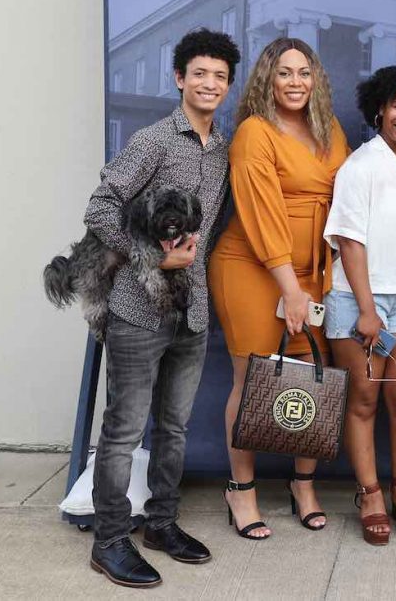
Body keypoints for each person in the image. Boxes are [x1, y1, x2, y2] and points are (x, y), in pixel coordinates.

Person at [83, 29, 240, 588]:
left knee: (174, 427)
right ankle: (109, 541)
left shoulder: (222, 149)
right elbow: (100, 208)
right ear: (179, 78)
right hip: (137, 309)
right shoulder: (153, 140)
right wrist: (151, 254)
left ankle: (162, 523)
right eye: (200, 73)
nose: (210, 84)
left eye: (220, 76)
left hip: (191, 313)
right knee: (124, 430)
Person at [209, 37, 349, 539]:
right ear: (268, 78)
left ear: (316, 80)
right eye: (285, 73)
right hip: (251, 266)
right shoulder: (254, 131)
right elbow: (262, 218)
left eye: (304, 72)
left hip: (313, 271)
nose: (295, 82)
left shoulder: (328, 128)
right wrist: (291, 290)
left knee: (310, 377)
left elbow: (345, 201)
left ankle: (302, 485)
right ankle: (241, 491)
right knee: (251, 380)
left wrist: (326, 275)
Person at [323, 66, 396, 546]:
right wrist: (368, 311)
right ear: (379, 109)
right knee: (365, 399)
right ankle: (369, 494)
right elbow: (349, 242)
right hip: (357, 300)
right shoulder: (361, 165)